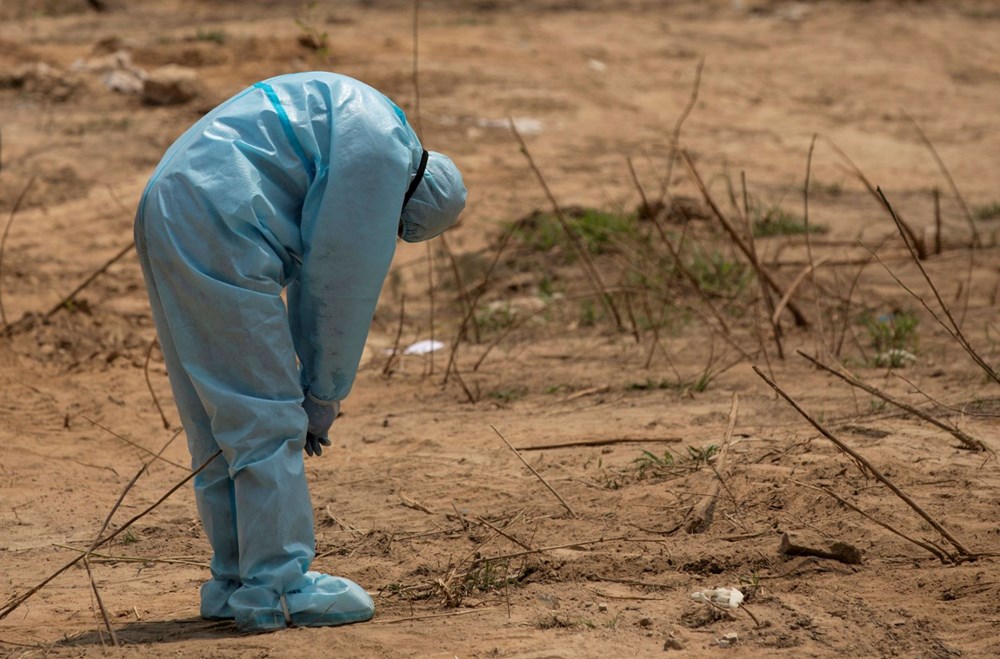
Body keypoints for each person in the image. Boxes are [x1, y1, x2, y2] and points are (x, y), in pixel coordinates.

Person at [134, 71, 466, 632]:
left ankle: (235, 579)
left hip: (170, 201)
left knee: (218, 419)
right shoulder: (382, 154)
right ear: (409, 204)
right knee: (267, 417)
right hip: (222, 219)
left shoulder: (371, 114)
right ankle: (279, 589)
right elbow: (339, 284)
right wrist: (321, 391)